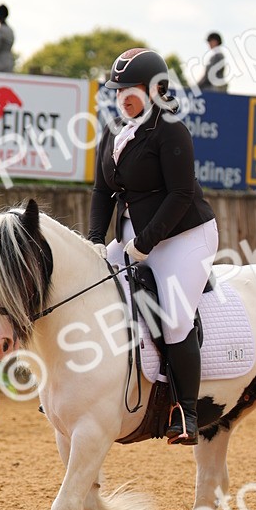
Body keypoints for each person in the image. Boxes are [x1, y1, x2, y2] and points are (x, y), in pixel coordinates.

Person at [88, 48, 219, 445]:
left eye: (131, 88)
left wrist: (143, 245)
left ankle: (186, 412)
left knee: (175, 317)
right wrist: (96, 241)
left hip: (184, 237)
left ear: (155, 89)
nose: (122, 95)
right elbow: (101, 192)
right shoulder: (113, 130)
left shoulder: (171, 129)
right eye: (117, 89)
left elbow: (180, 194)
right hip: (132, 238)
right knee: (91, 291)